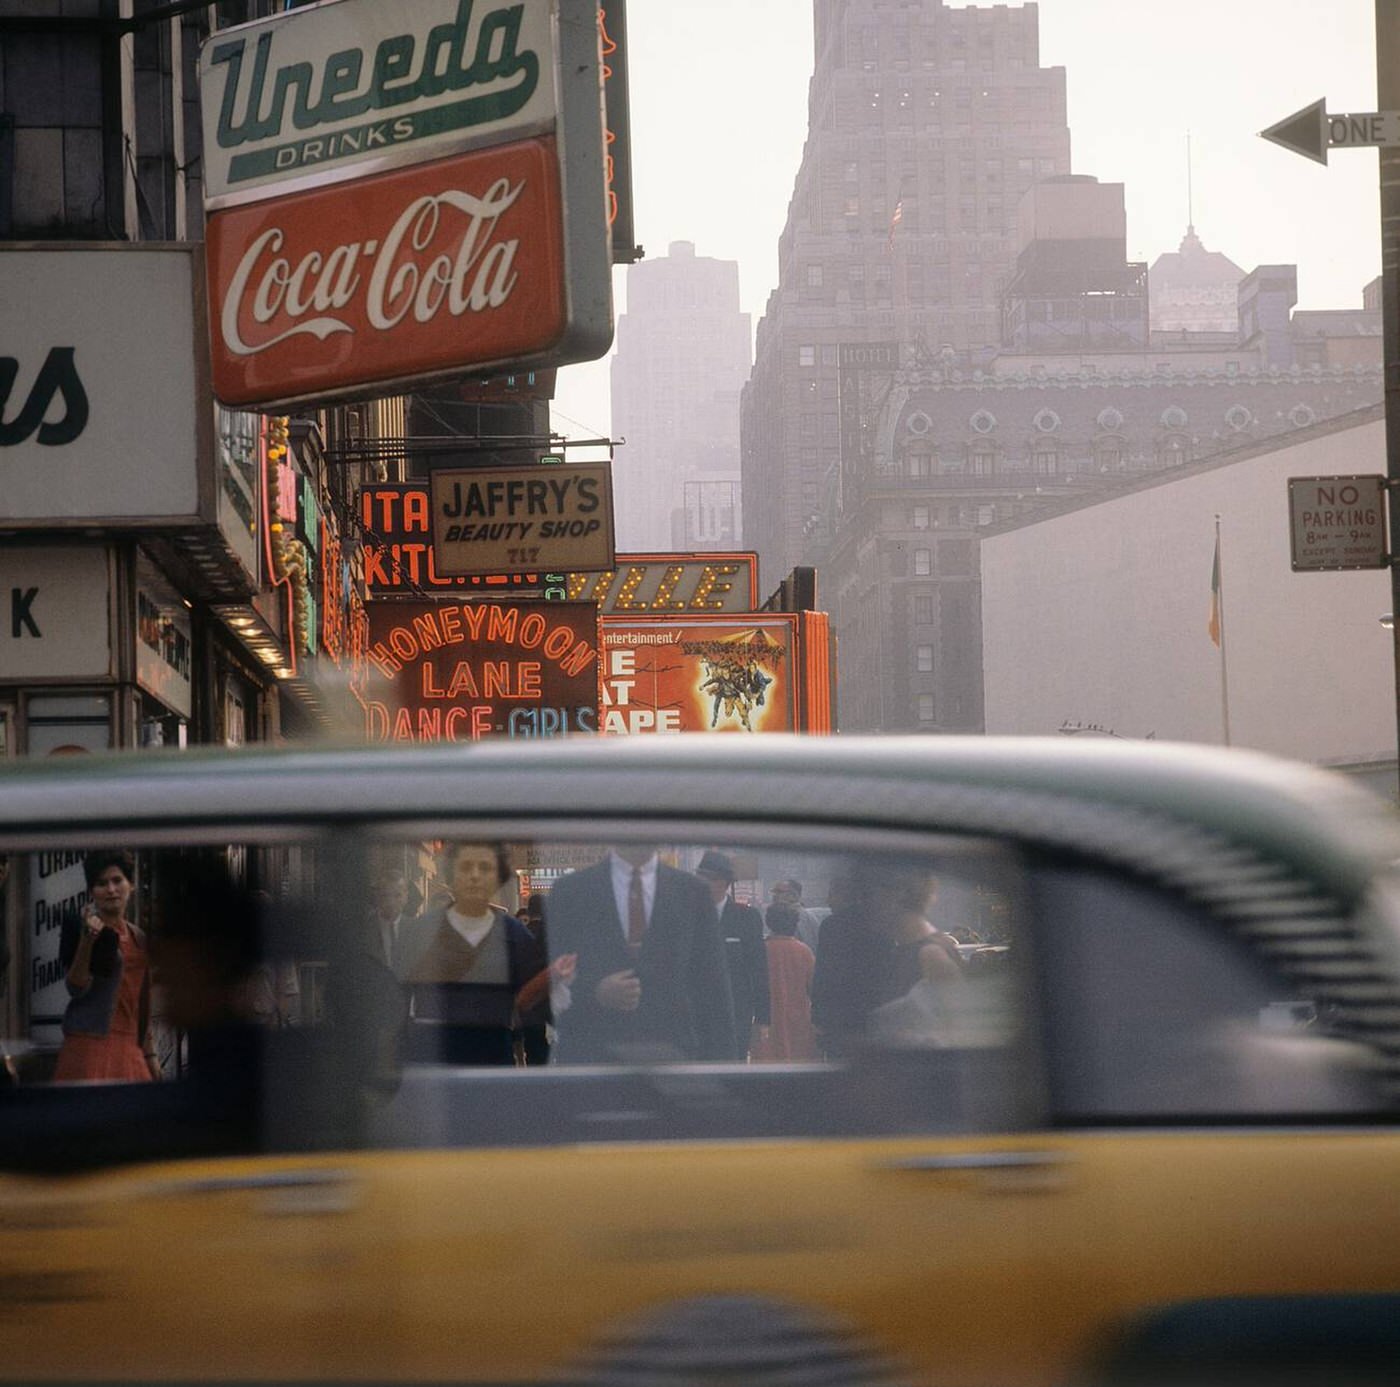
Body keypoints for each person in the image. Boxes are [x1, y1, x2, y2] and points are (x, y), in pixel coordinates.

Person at [546, 845, 735, 1064]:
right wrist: (594, 992)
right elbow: (549, 980)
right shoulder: (570, 891)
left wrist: (725, 1071)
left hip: (672, 1062)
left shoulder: (692, 893)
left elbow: (713, 989)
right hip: (592, 1059)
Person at [396, 841, 548, 1066]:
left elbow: (532, 1004)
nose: (475, 876)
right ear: (451, 874)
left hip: (493, 1057)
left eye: (485, 868)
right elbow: (399, 997)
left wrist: (537, 1063)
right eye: (466, 867)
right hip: (433, 1057)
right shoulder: (421, 932)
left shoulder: (514, 934)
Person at [811, 864, 960, 1058]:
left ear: (895, 896)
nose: (865, 906)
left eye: (871, 895)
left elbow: (954, 1032)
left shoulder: (930, 954)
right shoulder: (903, 950)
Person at [54, 850, 160, 1083]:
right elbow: (76, 987)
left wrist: (150, 1055)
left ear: (130, 885)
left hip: (131, 1046)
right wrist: (87, 941)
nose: (111, 890)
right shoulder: (80, 929)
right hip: (90, 1045)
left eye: (117, 881)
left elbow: (141, 1002)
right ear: (92, 891)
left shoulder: (138, 937)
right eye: (102, 884)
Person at [695, 850, 769, 1060]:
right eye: (700, 877)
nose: (703, 883)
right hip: (695, 1017)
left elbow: (758, 969)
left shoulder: (745, 918)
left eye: (709, 878)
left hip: (735, 1015)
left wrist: (762, 1019)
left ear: (724, 882)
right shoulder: (687, 915)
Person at [751, 902, 819, 1063]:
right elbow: (815, 990)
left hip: (765, 1022)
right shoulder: (804, 952)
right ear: (795, 924)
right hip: (799, 1023)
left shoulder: (760, 950)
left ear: (768, 922)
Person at [369, 866, 415, 972]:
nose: (391, 902)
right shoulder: (363, 929)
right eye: (385, 895)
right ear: (377, 896)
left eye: (397, 895)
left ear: (406, 896)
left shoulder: (416, 929)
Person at [769, 878, 823, 953]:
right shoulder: (783, 916)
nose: (774, 896)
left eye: (779, 892)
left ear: (793, 895)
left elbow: (810, 947)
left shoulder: (802, 917)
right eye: (774, 892)